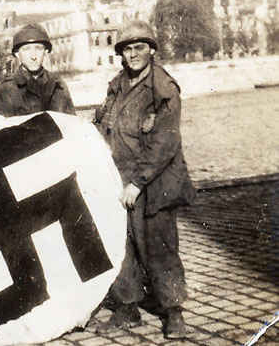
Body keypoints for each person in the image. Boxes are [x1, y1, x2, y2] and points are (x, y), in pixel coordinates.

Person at [93, 20, 196, 339]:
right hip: (120, 180)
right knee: (122, 245)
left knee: (160, 246)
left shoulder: (163, 87)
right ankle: (127, 307)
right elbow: (101, 125)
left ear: (151, 49)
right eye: (127, 49)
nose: (133, 54)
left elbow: (166, 141)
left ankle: (174, 311)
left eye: (139, 47)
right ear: (121, 54)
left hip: (155, 185)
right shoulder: (116, 85)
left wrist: (138, 183)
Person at [0, 23, 75, 116]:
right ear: (17, 54)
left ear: (45, 52)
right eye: (26, 49)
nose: (33, 56)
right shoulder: (4, 91)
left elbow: (71, 125)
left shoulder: (58, 86)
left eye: (38, 48)